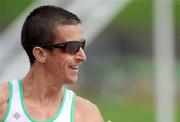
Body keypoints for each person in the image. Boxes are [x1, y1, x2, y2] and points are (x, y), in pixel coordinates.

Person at [0, 5, 104, 122]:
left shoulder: (86, 114)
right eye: (72, 47)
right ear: (40, 54)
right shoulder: (3, 101)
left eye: (82, 45)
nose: (82, 57)